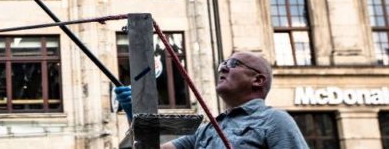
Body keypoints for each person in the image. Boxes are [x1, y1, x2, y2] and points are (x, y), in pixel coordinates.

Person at [115, 51, 308, 148]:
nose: (223, 68)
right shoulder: (208, 129)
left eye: (233, 64)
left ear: (258, 80)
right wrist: (135, 114)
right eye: (223, 64)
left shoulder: (275, 121)